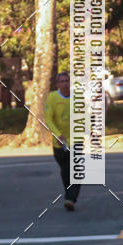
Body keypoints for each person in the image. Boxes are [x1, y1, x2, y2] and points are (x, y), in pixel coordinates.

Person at [45, 72, 80, 211]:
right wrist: (58, 135)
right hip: (59, 142)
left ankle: (70, 199)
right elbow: (48, 119)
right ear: (57, 84)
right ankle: (69, 195)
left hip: (75, 139)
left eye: (67, 80)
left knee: (77, 170)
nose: (65, 83)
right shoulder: (52, 97)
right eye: (62, 81)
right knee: (65, 171)